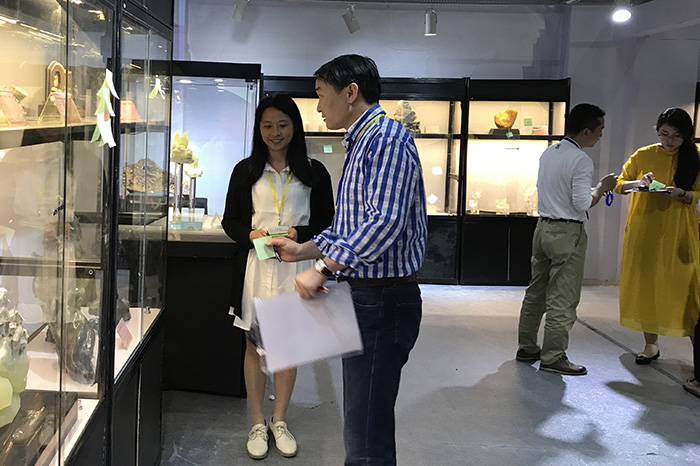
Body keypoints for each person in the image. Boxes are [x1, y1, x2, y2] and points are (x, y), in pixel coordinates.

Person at [268, 54, 427, 466]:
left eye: (322, 95)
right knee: (361, 422)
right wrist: (303, 250)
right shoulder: (362, 141)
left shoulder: (386, 139)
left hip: (384, 299)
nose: (319, 106)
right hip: (367, 297)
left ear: (351, 92)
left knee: (366, 431)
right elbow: (349, 225)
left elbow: (384, 222)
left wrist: (322, 269)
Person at [222, 94, 335, 460]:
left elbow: (327, 223)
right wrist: (251, 234)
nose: (275, 132)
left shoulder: (314, 172)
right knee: (254, 345)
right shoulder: (245, 171)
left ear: (295, 128)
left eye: (283, 125)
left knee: (286, 345)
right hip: (256, 268)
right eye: (268, 125)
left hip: (296, 269)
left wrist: (299, 234)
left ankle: (279, 420)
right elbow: (230, 220)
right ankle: (257, 422)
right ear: (259, 129)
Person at [516, 103, 617, 376]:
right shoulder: (581, 160)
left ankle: (527, 347)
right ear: (585, 131)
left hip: (543, 228)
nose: (601, 135)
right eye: (599, 129)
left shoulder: (550, 152)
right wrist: (602, 188)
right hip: (567, 232)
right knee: (563, 297)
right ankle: (553, 356)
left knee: (536, 292)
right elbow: (582, 203)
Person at [613, 108, 700, 375]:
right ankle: (650, 344)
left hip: (680, 230)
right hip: (646, 230)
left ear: (687, 135)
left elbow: (698, 195)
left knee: (688, 291)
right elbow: (619, 184)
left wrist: (682, 193)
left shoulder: (695, 157)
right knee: (647, 286)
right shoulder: (644, 155)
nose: (669, 141)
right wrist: (639, 183)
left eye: (676, 136)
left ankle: (697, 350)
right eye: (664, 134)